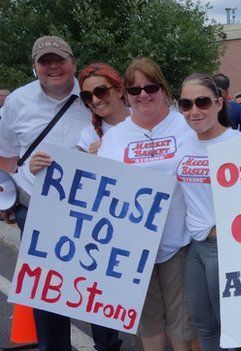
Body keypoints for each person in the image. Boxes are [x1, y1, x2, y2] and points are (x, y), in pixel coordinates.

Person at [0, 35, 125, 351]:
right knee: (48, 290)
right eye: (45, 62)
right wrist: (6, 198)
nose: (52, 67)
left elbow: (121, 133)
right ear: (35, 68)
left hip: (93, 207)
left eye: (59, 59)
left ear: (73, 63)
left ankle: (108, 345)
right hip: (38, 207)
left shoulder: (92, 96)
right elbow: (6, 155)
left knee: (97, 281)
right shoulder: (17, 102)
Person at [97, 57, 196, 351]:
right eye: (134, 89)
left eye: (150, 86)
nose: (143, 94)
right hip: (132, 249)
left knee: (183, 321)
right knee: (149, 319)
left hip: (179, 241)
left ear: (163, 89)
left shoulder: (186, 125)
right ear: (125, 94)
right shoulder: (114, 137)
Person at [176, 73, 241, 350]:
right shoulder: (183, 143)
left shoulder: (240, 143)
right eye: (186, 104)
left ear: (218, 103)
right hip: (196, 246)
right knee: (203, 323)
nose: (194, 111)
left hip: (226, 245)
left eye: (202, 102)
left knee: (232, 327)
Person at [75, 63, 131, 154]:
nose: (95, 100)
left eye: (101, 92)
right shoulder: (88, 137)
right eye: (87, 96)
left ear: (119, 90)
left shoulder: (148, 119)